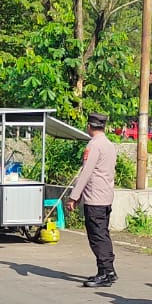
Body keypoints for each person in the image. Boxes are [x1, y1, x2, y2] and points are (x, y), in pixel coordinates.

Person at [65, 113, 118, 288]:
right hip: (106, 195)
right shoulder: (109, 145)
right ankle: (108, 269)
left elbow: (86, 173)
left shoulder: (94, 146)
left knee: (97, 236)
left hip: (95, 197)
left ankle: (105, 272)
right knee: (103, 234)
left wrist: (74, 196)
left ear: (89, 126)